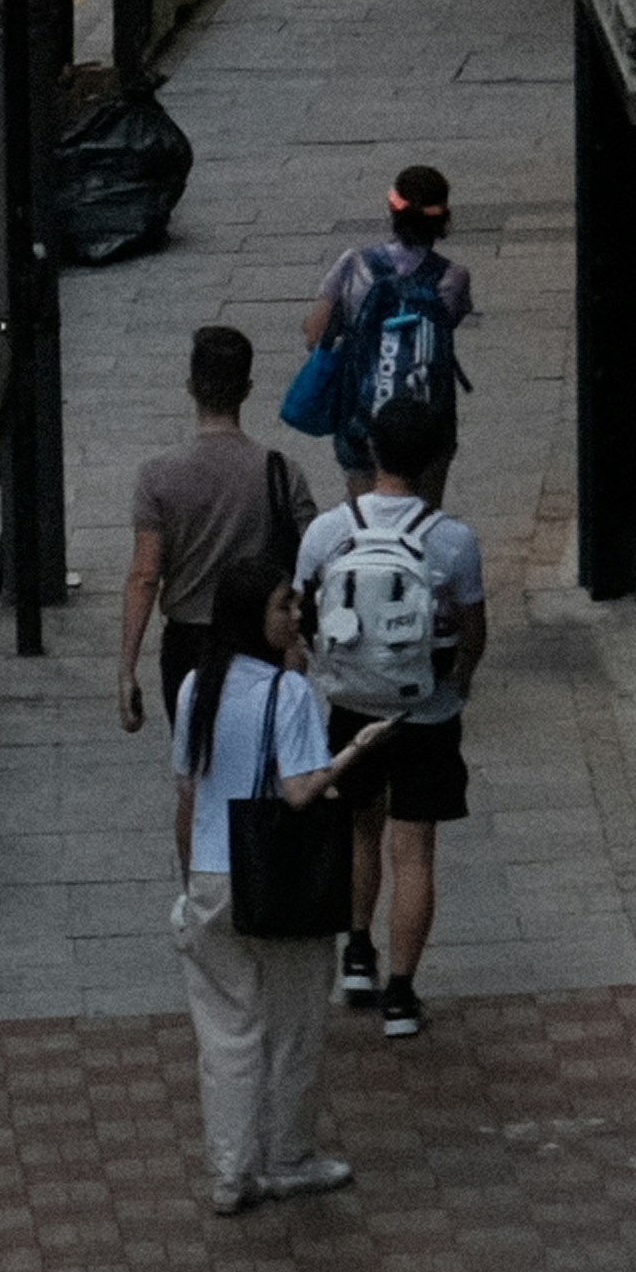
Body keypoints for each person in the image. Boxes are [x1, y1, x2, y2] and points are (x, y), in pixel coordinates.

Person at [291, 394, 485, 1040]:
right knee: (416, 850)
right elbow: (474, 629)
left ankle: (355, 955)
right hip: (424, 713)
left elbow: (301, 614)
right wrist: (458, 683)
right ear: (438, 459)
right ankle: (401, 996)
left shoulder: (327, 530)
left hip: (350, 705)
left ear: (371, 451)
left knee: (357, 830)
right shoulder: (453, 540)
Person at [171, 591, 360, 1217]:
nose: (296, 616)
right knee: (294, 1025)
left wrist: (189, 886)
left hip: (211, 875)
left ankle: (230, 1175)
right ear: (257, 620)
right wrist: (356, 751)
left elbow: (188, 796)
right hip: (277, 881)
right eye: (284, 606)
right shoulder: (290, 693)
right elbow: (300, 790)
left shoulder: (196, 685)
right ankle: (288, 1157)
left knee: (225, 1036)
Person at [115, 322, 313, 736]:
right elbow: (311, 563)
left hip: (189, 645)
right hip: (260, 638)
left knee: (197, 764)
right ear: (247, 388)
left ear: (190, 386)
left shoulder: (158, 476)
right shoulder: (281, 472)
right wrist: (299, 640)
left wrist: (127, 669)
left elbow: (145, 575)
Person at [302, 163, 475, 483]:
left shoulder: (355, 264)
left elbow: (315, 336)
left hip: (362, 414)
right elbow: (448, 323)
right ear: (443, 218)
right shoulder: (454, 278)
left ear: (392, 207)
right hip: (429, 420)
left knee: (364, 515)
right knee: (425, 516)